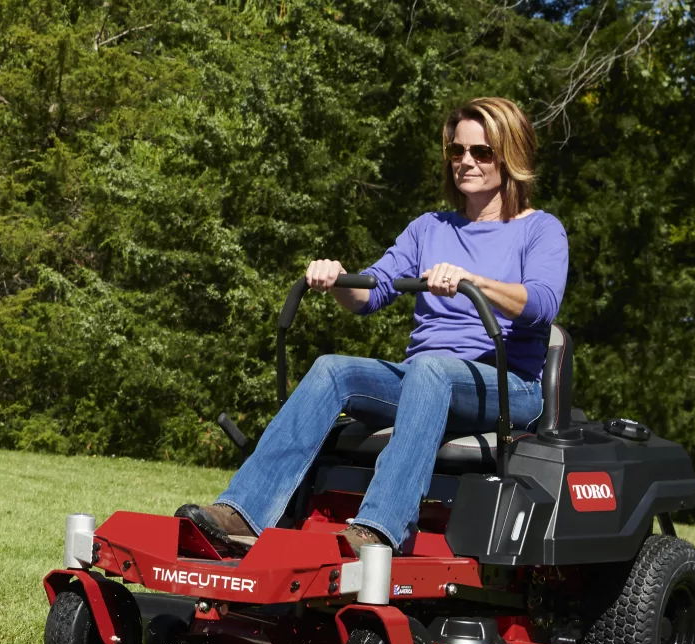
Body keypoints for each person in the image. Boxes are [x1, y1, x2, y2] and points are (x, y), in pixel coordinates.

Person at [178, 96, 569, 556]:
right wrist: (337, 278)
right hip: (428, 379)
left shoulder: (540, 230)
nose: (466, 162)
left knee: (432, 369)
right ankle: (243, 513)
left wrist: (472, 281)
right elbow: (372, 292)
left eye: (481, 152)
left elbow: (542, 304)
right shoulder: (430, 228)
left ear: (510, 155)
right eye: (457, 151)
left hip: (506, 386)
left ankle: (382, 528)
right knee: (333, 368)